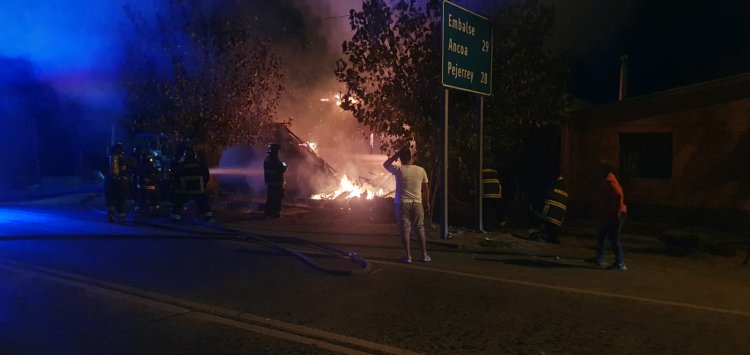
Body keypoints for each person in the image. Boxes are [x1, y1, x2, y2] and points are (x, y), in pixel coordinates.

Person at [383, 144, 431, 263]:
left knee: (405, 230)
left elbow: (385, 164)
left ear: (401, 158)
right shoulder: (421, 170)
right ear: (411, 157)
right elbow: (426, 188)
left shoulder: (399, 170)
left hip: (402, 204)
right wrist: (427, 202)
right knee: (420, 228)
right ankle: (424, 255)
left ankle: (408, 256)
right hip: (417, 203)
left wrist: (395, 155)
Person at [594, 165, 628, 271]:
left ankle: (620, 263)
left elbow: (618, 194)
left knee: (613, 238)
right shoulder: (607, 180)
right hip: (610, 213)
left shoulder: (609, 180)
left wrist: (616, 210)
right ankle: (600, 258)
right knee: (602, 235)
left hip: (615, 214)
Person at [169, 147, 214, 224]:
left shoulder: (181, 165)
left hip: (184, 190)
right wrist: (204, 184)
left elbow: (175, 176)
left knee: (178, 203)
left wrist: (177, 186)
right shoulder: (200, 164)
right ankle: (208, 218)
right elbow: (206, 175)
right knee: (203, 204)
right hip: (198, 189)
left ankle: (175, 219)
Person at [530, 175, 568, 244]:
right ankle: (553, 239)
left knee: (533, 218)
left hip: (548, 212)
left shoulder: (551, 186)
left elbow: (542, 197)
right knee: (552, 230)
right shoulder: (564, 190)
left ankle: (534, 233)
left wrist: (533, 207)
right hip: (558, 218)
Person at [105, 142, 129, 222]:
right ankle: (121, 217)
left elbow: (105, 169)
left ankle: (111, 215)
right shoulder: (124, 157)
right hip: (122, 181)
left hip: (111, 181)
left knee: (111, 198)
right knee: (122, 199)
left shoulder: (109, 158)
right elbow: (131, 167)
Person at [263, 143, 287, 218]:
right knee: (277, 198)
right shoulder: (275, 159)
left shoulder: (267, 159)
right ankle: (276, 214)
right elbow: (282, 169)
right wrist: (284, 164)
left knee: (270, 197)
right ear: (276, 151)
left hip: (269, 182)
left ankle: (268, 212)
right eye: (278, 151)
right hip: (276, 182)